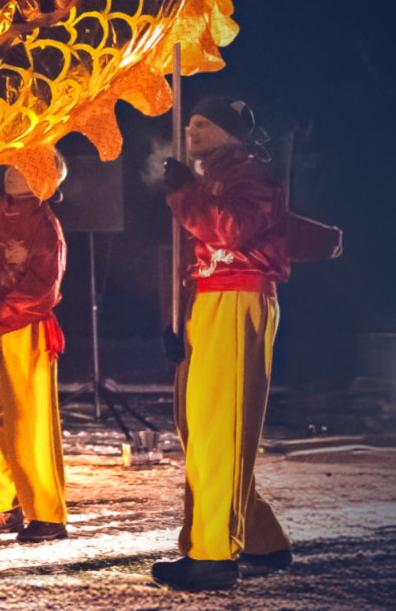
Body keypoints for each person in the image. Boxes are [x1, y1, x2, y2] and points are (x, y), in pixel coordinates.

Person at [151, 97, 293, 591]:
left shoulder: (252, 172)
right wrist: (178, 321)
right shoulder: (209, 173)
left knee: (221, 428)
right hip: (208, 301)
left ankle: (213, 554)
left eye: (204, 123)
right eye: (189, 122)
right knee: (201, 427)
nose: (191, 130)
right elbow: (190, 251)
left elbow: (229, 230)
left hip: (238, 295)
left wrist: (185, 194)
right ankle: (260, 538)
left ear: (232, 132)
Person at [0, 163, 70, 544]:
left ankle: (46, 514)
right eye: (13, 163)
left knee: (29, 421)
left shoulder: (46, 225)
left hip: (21, 324)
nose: (14, 171)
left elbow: (43, 289)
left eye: (27, 165)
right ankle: (3, 501)